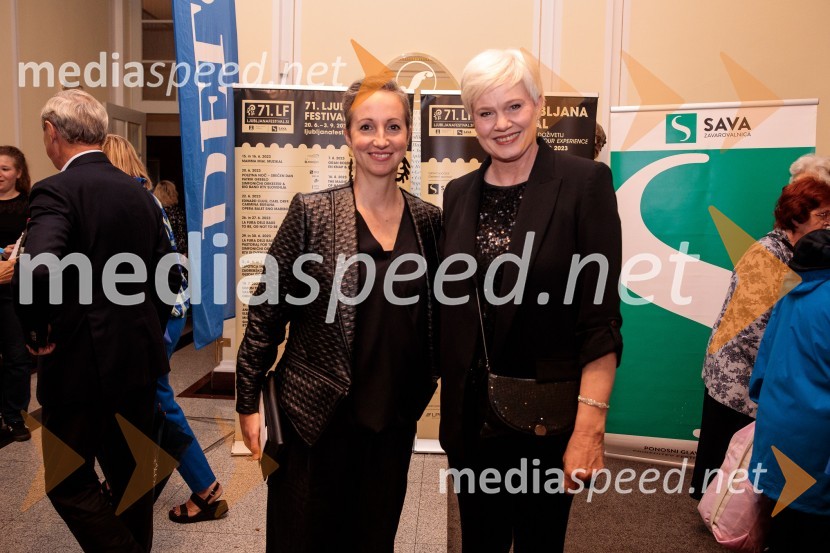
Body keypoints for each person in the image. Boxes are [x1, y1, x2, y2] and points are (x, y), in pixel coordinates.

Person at [236, 76, 441, 552]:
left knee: (374, 539)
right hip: (314, 418)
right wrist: (248, 399)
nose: (380, 139)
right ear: (348, 136)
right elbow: (266, 311)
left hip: (391, 420)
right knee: (304, 537)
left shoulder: (430, 222)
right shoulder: (312, 213)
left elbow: (435, 320)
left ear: (408, 134)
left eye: (393, 126)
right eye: (366, 126)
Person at [438, 49, 623, 552]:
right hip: (471, 420)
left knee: (540, 544)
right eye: (486, 112)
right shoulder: (457, 194)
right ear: (471, 119)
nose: (501, 124)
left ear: (538, 105)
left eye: (514, 107)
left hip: (545, 419)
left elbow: (600, 320)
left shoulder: (584, 183)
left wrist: (590, 428)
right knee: (479, 542)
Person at [12, 89, 178, 551]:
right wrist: (145, 327)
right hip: (137, 361)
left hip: (79, 364)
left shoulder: (55, 190)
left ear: (51, 133)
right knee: (131, 478)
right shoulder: (138, 192)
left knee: (66, 480)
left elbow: (39, 269)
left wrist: (37, 332)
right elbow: (170, 274)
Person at [101, 133, 226, 523]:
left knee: (159, 400)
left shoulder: (129, 202)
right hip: (166, 310)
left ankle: (207, 490)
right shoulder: (144, 196)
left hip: (160, 314)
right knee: (146, 398)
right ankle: (127, 476)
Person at [690, 176, 830, 499]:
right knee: (724, 466)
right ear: (797, 217)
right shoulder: (769, 255)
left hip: (755, 377)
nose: (828, 223)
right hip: (735, 378)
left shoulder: (798, 254)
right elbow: (750, 331)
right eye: (822, 215)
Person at [749, 228, 830, 551]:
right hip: (817, 445)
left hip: (778, 430)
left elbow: (762, 370)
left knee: (781, 527)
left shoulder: (790, 295)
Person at [0, 145, 33, 442]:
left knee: (16, 356)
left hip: (14, 291)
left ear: (18, 173)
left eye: (5, 168)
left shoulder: (29, 205)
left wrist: (18, 252)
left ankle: (15, 417)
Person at [153, 180, 188, 258]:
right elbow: (181, 236)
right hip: (176, 254)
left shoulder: (154, 211)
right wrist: (184, 252)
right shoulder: (177, 212)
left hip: (159, 253)